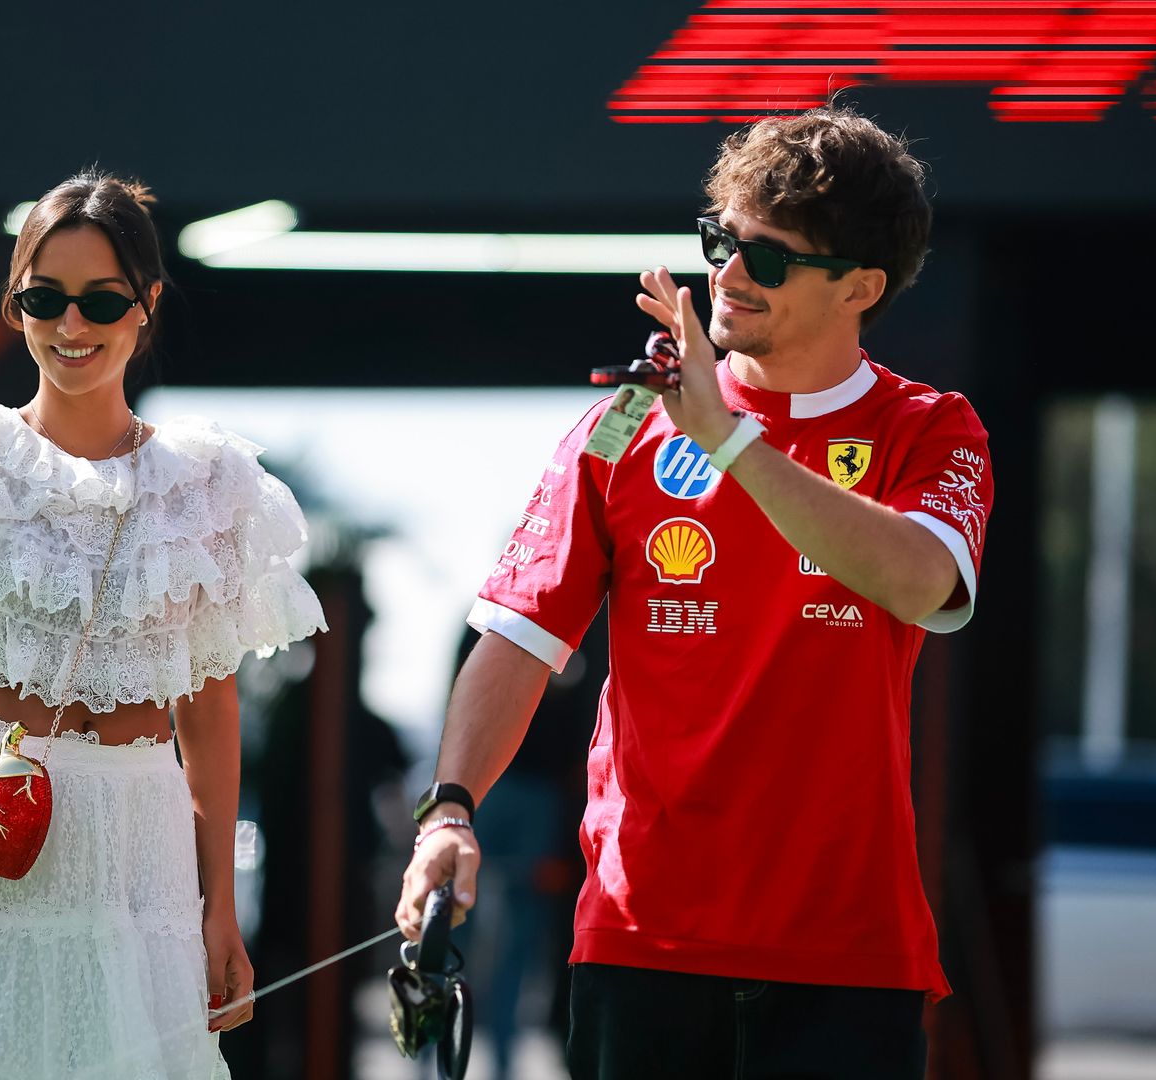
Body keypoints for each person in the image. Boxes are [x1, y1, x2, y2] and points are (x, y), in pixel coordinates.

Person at [396, 105, 994, 1079]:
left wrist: (729, 438)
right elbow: (517, 636)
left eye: (769, 257)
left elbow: (923, 581)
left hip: (848, 953)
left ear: (862, 286)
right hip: (642, 943)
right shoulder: (622, 424)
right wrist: (449, 813)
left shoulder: (932, 428)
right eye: (721, 242)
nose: (727, 274)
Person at [0, 170, 326, 1079]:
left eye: (102, 300)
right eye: (44, 298)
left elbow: (208, 713)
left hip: (141, 854)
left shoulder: (209, 485)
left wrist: (218, 910)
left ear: (146, 307)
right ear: (15, 305)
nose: (72, 326)